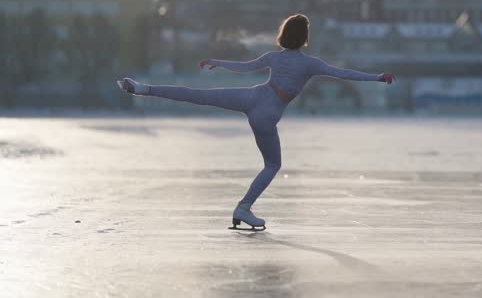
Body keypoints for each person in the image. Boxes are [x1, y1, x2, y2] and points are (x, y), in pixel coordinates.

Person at [117, 14, 396, 230]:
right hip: (266, 113)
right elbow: (343, 73)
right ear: (305, 37)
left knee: (198, 96)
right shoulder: (311, 63)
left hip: (252, 96)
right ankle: (244, 207)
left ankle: (143, 88)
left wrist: (218, 61)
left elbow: (245, 67)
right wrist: (377, 77)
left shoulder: (274, 56)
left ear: (284, 35)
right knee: (273, 165)